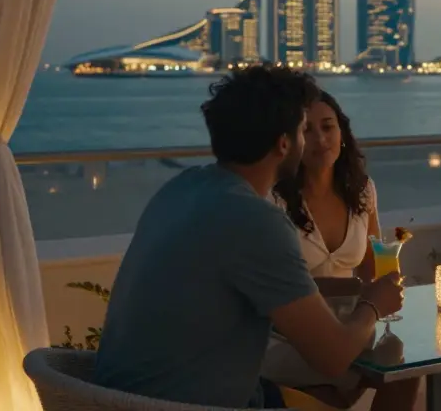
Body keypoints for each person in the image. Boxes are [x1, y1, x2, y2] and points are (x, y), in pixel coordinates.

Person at [94, 66, 404, 408]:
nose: (309, 140)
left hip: (119, 398)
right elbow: (332, 356)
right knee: (379, 371)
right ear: (284, 144)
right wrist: (373, 304)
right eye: (303, 130)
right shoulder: (256, 221)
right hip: (193, 404)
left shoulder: (181, 188)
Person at [262, 90, 420, 410]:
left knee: (405, 366)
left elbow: (371, 264)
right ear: (289, 141)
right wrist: (361, 293)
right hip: (286, 332)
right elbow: (277, 285)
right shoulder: (272, 199)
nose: (320, 138)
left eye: (328, 127)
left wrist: (381, 289)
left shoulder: (362, 190)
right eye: (307, 129)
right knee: (333, 384)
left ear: (342, 133)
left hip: (351, 321)